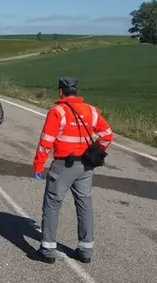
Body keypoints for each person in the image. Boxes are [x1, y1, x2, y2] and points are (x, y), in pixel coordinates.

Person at [29, 76, 114, 264]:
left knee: (52, 205)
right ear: (76, 90)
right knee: (84, 205)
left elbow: (46, 142)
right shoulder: (92, 111)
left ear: (60, 91)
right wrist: (95, 152)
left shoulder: (57, 111)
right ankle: (86, 251)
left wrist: (38, 165)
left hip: (63, 166)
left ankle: (48, 250)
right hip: (86, 166)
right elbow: (107, 135)